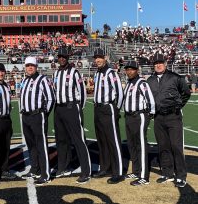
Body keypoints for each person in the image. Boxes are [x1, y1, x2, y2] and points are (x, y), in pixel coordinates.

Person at [147, 53, 191, 188]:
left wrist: (178, 106)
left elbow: (186, 93)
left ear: (165, 63)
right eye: (155, 63)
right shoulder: (150, 80)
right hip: (159, 117)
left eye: (160, 62)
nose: (158, 65)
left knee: (176, 146)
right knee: (163, 146)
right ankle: (167, 173)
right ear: (153, 65)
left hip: (173, 117)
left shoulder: (175, 77)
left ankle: (181, 176)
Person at [53, 47, 91, 184]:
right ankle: (63, 167)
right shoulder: (56, 73)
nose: (62, 59)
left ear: (68, 57)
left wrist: (78, 109)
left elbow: (82, 92)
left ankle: (86, 171)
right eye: (60, 56)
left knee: (78, 139)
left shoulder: (74, 72)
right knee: (61, 140)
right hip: (59, 109)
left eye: (64, 56)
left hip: (71, 107)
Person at [20, 56, 55, 185]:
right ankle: (35, 169)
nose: (30, 67)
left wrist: (44, 114)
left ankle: (45, 174)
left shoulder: (42, 80)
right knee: (31, 145)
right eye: (28, 65)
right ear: (25, 67)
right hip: (25, 116)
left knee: (41, 145)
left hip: (37, 115)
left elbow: (51, 98)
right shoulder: (25, 80)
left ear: (36, 67)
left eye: (32, 65)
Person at [92, 48, 124, 184]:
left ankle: (118, 172)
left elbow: (120, 93)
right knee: (102, 140)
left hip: (108, 107)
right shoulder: (97, 74)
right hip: (97, 108)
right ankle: (105, 167)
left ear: (105, 58)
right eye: (96, 58)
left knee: (113, 140)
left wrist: (116, 109)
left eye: (100, 57)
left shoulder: (111, 73)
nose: (97, 60)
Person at [123, 60, 155, 186]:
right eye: (127, 69)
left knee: (141, 145)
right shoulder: (129, 83)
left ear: (137, 70)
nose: (129, 71)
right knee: (132, 145)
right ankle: (136, 171)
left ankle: (144, 176)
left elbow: (150, 99)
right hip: (129, 117)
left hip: (139, 116)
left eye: (132, 69)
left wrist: (149, 114)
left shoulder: (142, 83)